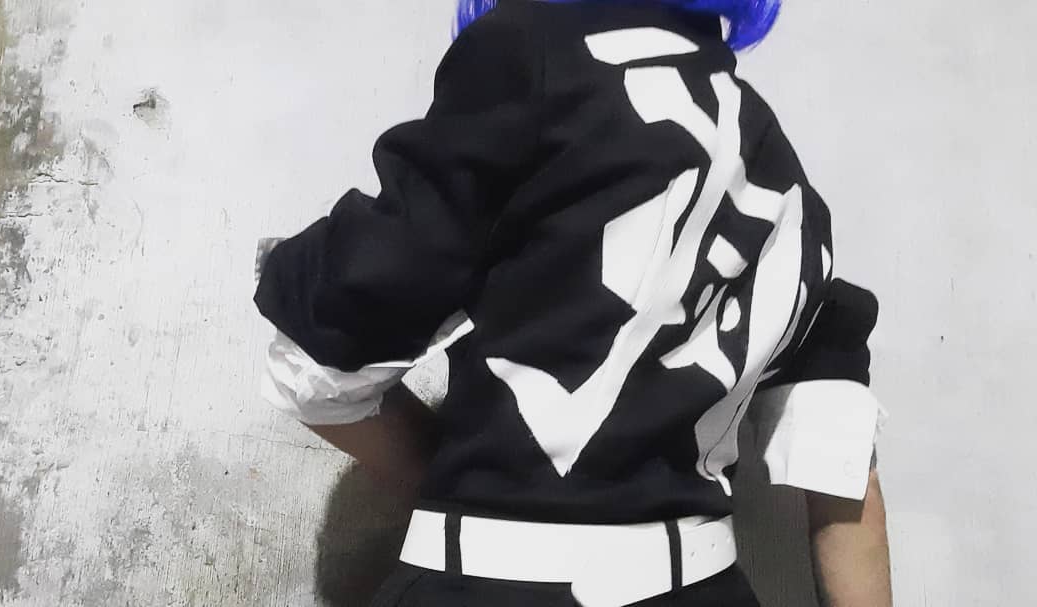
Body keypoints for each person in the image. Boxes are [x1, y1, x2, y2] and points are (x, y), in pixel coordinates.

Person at [253, 0, 892, 604]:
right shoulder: (773, 155)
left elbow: (317, 360)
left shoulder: (528, 56)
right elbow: (841, 461)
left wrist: (459, 482)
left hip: (493, 583)